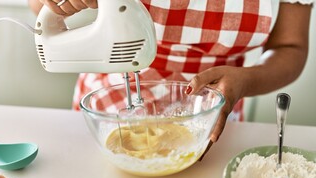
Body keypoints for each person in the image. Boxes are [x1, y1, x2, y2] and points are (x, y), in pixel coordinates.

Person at [29, 0, 313, 146]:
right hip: (114, 92)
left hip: (214, 107)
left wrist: (246, 80)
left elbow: (291, 46)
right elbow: (40, 7)